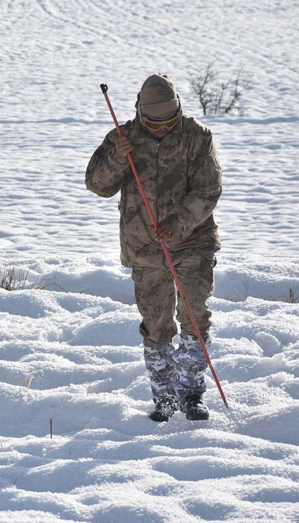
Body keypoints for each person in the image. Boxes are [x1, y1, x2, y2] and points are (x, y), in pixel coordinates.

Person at [85, 74, 222, 422]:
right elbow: (97, 185)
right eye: (154, 123)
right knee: (156, 323)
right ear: (141, 114)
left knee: (194, 313)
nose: (162, 129)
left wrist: (178, 224)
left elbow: (208, 190)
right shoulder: (124, 137)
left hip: (192, 241)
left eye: (169, 122)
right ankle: (164, 397)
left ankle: (191, 393)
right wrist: (118, 157)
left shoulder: (197, 137)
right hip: (144, 246)